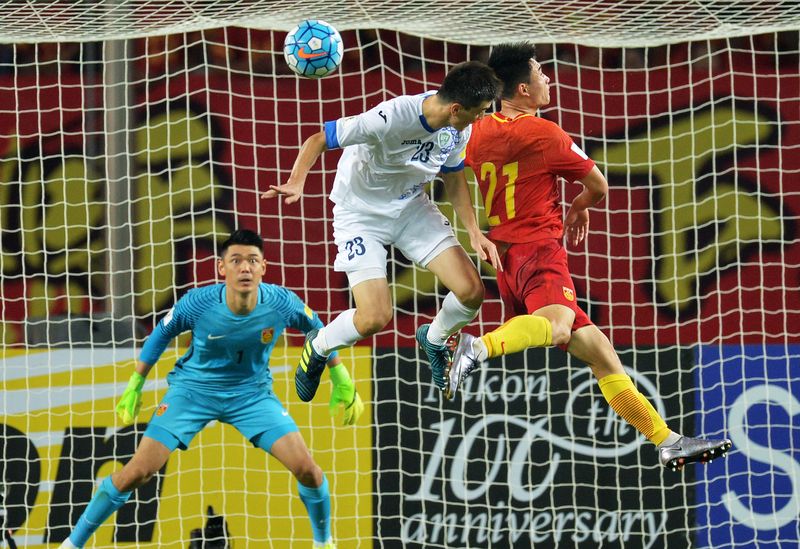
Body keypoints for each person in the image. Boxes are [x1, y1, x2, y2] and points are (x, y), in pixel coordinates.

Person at [456, 42, 731, 471]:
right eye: (541, 71)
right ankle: (480, 348)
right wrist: (579, 205)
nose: (548, 78)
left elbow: (452, 173)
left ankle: (667, 440)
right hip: (539, 249)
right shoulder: (542, 132)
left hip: (507, 261)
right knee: (560, 324)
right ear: (524, 90)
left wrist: (474, 232)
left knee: (601, 353)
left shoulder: (476, 132)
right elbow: (600, 186)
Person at [58, 229, 362, 549]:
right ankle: (73, 544)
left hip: (252, 395)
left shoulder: (282, 303)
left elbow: (318, 330)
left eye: (252, 261)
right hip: (192, 392)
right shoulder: (198, 303)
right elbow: (161, 334)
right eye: (236, 261)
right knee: (137, 472)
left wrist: (340, 376)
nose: (244, 268)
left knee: (308, 470)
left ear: (263, 267)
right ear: (221, 267)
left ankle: (324, 542)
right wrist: (136, 383)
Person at [262, 61, 503, 401]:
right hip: (360, 215)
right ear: (455, 108)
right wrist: (296, 181)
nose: (482, 118)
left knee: (470, 291)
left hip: (411, 208)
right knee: (374, 317)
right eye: (478, 112)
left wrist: (474, 231)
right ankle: (318, 346)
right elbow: (320, 138)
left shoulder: (458, 128)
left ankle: (433, 340)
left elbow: (453, 175)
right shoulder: (390, 117)